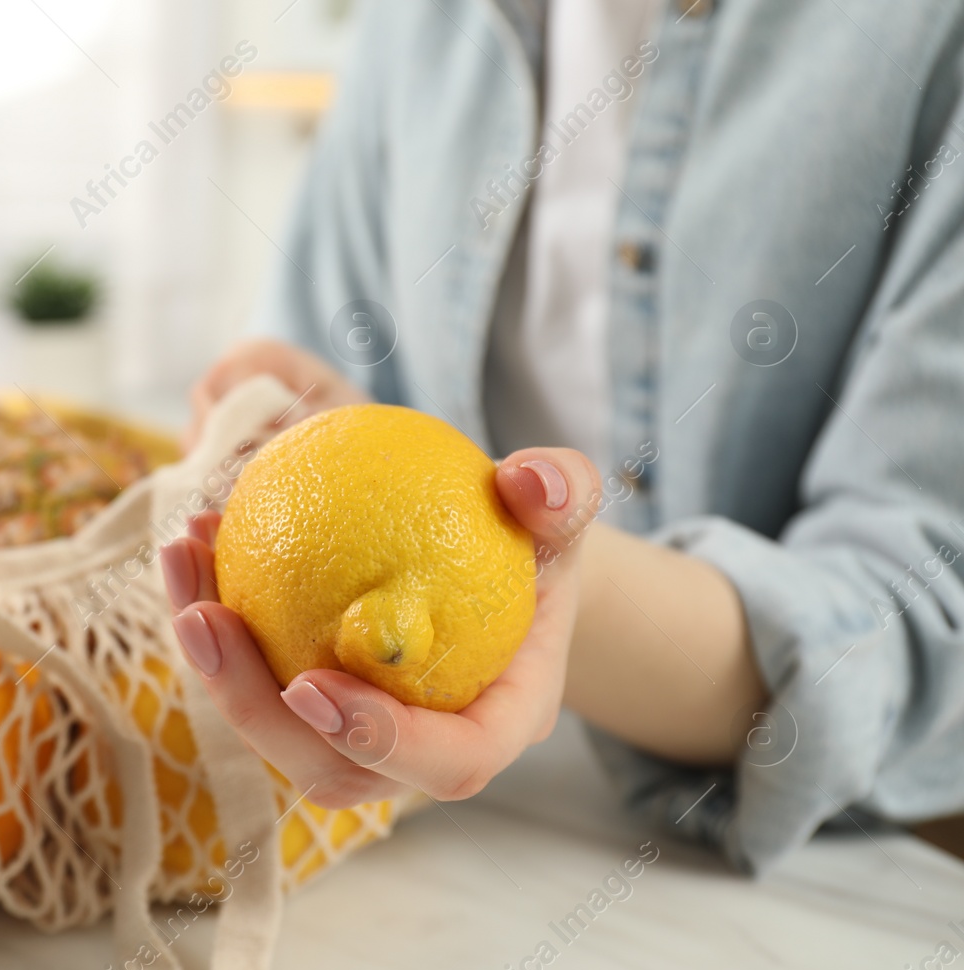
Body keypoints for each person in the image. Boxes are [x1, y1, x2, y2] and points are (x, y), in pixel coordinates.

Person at [160, 0, 964, 874]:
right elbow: (328, 356)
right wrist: (295, 416)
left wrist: (534, 597)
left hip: (866, 863)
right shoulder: (419, 22)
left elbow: (921, 601)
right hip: (470, 841)